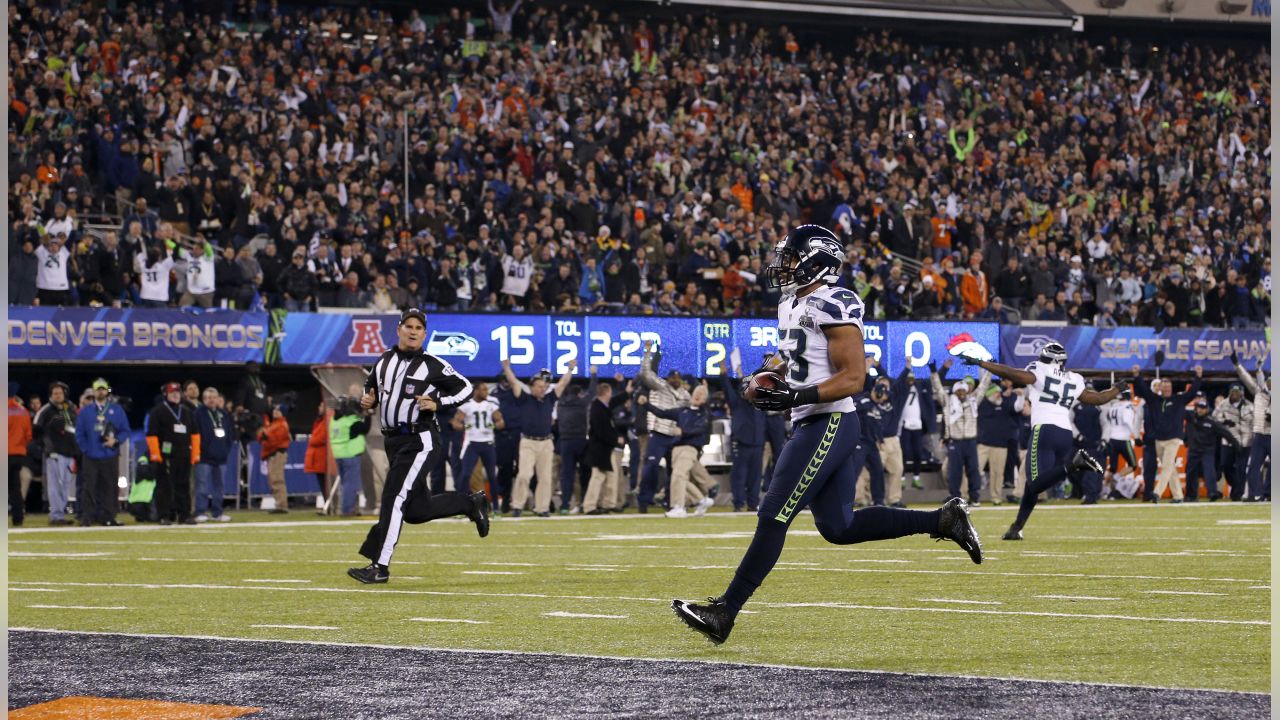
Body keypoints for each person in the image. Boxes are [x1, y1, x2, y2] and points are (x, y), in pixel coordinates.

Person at [672, 225, 982, 645]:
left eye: (793, 257)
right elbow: (791, 355)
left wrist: (796, 394)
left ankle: (725, 611)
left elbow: (854, 377)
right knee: (839, 526)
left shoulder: (836, 301)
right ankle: (943, 520)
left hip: (830, 419)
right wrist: (762, 376)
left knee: (773, 513)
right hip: (811, 419)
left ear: (818, 260)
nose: (784, 264)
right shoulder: (790, 303)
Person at [349, 308, 489, 584]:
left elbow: (464, 387)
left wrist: (440, 404)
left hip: (420, 438)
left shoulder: (432, 363)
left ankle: (380, 566)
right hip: (393, 441)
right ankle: (470, 503)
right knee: (416, 510)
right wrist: (367, 401)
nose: (413, 331)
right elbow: (371, 389)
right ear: (399, 329)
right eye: (409, 326)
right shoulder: (384, 360)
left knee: (394, 496)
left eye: (418, 328)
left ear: (424, 334)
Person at [964, 342, 1119, 540]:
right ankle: (1016, 527)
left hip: (1044, 430)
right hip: (1065, 433)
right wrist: (1116, 390)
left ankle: (1074, 464)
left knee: (1036, 483)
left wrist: (982, 364)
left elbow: (1017, 375)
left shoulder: (1040, 369)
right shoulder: (1074, 378)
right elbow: (1096, 399)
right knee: (1032, 486)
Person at [500, 359, 574, 517]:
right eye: (540, 386)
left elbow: (562, 384)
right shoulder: (524, 398)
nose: (543, 389)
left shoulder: (549, 398)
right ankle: (517, 505)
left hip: (546, 442)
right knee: (524, 475)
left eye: (545, 387)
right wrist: (507, 368)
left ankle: (542, 508)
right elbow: (513, 382)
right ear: (532, 386)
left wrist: (570, 369)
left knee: (545, 478)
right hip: (528, 442)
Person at [642, 382, 717, 518]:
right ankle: (701, 500)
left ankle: (678, 507)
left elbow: (699, 429)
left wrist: (682, 431)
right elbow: (661, 413)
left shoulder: (704, 414)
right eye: (696, 392)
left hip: (689, 448)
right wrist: (646, 404)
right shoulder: (682, 411)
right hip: (676, 449)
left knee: (678, 475)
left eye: (702, 394)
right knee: (679, 478)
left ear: (705, 399)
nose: (698, 395)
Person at [1132, 364, 1203, 503]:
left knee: (1166, 467)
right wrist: (1136, 376)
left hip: (1173, 439)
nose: (1165, 387)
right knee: (1170, 468)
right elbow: (1143, 390)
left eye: (1168, 385)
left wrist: (1198, 377)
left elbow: (1193, 392)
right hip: (1159, 440)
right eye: (1163, 385)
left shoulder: (1179, 399)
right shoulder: (1154, 400)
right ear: (1160, 388)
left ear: (1171, 387)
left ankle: (1157, 493)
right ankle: (1178, 496)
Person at [637, 342, 692, 512]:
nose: (675, 380)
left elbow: (688, 416)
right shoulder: (660, 385)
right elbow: (645, 373)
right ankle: (644, 500)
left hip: (676, 437)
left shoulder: (685, 395)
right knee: (650, 467)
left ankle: (670, 500)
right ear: (668, 378)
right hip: (659, 434)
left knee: (674, 471)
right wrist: (648, 353)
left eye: (677, 378)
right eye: (672, 377)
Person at [74, 378, 130, 526]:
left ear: (107, 391)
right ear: (93, 391)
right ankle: (88, 516)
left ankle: (108, 516)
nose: (100, 391)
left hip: (109, 455)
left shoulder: (116, 410)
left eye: (103, 389)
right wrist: (86, 449)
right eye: (98, 389)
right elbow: (79, 433)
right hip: (91, 455)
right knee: (89, 487)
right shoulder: (86, 411)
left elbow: (125, 430)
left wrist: (116, 441)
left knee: (110, 487)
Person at [932, 361, 986, 504]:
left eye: (963, 390)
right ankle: (955, 498)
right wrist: (933, 372)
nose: (962, 393)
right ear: (955, 392)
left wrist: (989, 370)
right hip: (955, 441)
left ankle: (975, 497)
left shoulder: (973, 401)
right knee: (954, 472)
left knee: (973, 470)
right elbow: (938, 388)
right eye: (959, 391)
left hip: (970, 441)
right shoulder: (948, 402)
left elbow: (983, 386)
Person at [146, 382, 198, 525]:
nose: (175, 395)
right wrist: (155, 454)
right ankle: (165, 515)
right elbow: (152, 435)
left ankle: (184, 515)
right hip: (165, 455)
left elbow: (194, 434)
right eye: (172, 392)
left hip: (183, 454)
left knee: (183, 486)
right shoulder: (158, 411)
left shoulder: (186, 411)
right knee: (165, 486)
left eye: (177, 392)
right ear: (166, 394)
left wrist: (195, 454)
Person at [719, 361, 765, 512]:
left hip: (757, 444)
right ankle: (738, 504)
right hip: (741, 443)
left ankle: (752, 504)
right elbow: (726, 388)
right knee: (739, 475)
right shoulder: (736, 402)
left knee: (755, 477)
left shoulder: (760, 404)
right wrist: (723, 373)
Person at [452, 382, 505, 504]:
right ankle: (461, 506)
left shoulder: (491, 405)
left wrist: (493, 425)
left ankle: (496, 507)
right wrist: (464, 426)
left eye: (486, 389)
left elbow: (501, 422)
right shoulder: (466, 405)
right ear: (476, 391)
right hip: (472, 444)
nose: (486, 392)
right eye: (483, 390)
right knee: (465, 475)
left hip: (487, 443)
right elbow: (455, 423)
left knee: (492, 476)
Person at [554, 367, 598, 513]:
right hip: (580, 441)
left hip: (565, 441)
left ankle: (565, 504)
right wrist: (593, 375)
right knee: (585, 472)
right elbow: (592, 392)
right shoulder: (581, 402)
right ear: (579, 393)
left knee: (567, 474)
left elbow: (560, 388)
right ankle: (584, 502)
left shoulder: (560, 403)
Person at [976, 377, 1023, 506]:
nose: (998, 394)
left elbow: (1018, 407)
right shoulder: (981, 405)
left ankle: (996, 497)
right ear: (989, 394)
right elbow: (981, 390)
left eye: (999, 392)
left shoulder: (1005, 403)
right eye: (995, 393)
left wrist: (1019, 396)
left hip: (1001, 445)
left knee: (997, 473)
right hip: (983, 444)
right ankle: (969, 496)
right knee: (974, 470)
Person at [583, 378, 627, 514]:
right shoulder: (597, 408)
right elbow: (601, 430)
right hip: (600, 448)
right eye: (610, 393)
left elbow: (615, 402)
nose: (611, 396)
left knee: (611, 476)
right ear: (607, 392)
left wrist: (627, 391)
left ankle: (608, 504)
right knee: (598, 477)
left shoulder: (601, 406)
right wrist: (616, 439)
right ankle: (589, 506)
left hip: (607, 448)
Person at [1183, 398, 1241, 501]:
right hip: (1194, 450)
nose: (1200, 410)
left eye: (1203, 408)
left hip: (1207, 450)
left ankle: (1212, 493)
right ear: (1195, 409)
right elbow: (1178, 411)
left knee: (1209, 471)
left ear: (1207, 409)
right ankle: (1190, 495)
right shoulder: (1190, 417)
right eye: (1198, 408)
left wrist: (1236, 444)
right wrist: (1185, 439)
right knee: (1190, 472)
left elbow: (1226, 433)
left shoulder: (1212, 422)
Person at [38, 382, 79, 525]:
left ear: (64, 394)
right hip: (54, 453)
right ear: (51, 395)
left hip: (69, 453)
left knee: (65, 485)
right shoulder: (46, 410)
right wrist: (45, 445)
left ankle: (59, 514)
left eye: (60, 393)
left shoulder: (71, 408)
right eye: (55, 393)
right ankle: (55, 515)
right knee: (55, 485)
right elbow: (36, 429)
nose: (57, 395)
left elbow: (75, 429)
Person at [1231, 352, 1271, 502]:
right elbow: (1247, 378)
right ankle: (1254, 494)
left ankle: (1269, 493)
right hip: (1259, 435)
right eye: (1269, 382)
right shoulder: (1259, 393)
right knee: (1253, 466)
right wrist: (1237, 365)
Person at [193, 387, 233, 522]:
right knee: (202, 485)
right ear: (204, 399)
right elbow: (195, 434)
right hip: (204, 456)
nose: (211, 400)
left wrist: (225, 450)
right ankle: (200, 511)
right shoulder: (198, 413)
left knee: (219, 486)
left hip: (220, 456)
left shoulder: (223, 414)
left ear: (217, 399)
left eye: (213, 397)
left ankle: (217, 512)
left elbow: (230, 434)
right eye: (208, 397)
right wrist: (201, 450)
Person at [329, 396, 372, 516]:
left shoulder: (335, 420)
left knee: (345, 484)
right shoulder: (350, 422)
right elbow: (365, 428)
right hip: (350, 455)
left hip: (339, 454)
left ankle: (348, 507)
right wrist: (367, 415)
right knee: (350, 485)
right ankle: (347, 509)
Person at [1212, 383, 1253, 501]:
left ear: (1242, 393)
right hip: (1228, 440)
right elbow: (1214, 417)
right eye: (1232, 392)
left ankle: (1237, 494)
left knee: (1241, 467)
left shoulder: (1250, 406)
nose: (1234, 394)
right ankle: (1236, 486)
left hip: (1244, 441)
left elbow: (1254, 423)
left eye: (1237, 392)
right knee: (1225, 465)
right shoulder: (1223, 404)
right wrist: (1224, 422)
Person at [1100, 391, 1141, 497]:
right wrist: (1136, 435)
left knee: (1112, 467)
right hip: (1123, 439)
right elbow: (1128, 421)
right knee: (1133, 465)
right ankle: (1116, 478)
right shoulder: (1127, 407)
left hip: (1112, 438)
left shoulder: (1113, 406)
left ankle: (1104, 488)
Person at [258, 405, 292, 513]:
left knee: (277, 479)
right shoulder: (275, 424)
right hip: (272, 454)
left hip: (277, 454)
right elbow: (261, 437)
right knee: (273, 480)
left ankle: (282, 505)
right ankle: (279, 504)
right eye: (275, 409)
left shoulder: (282, 424)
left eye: (278, 410)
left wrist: (264, 437)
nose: (275, 411)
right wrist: (263, 437)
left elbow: (273, 441)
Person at [8, 383, 32, 526]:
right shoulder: (23, 411)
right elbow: (29, 435)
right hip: (18, 454)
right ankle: (18, 518)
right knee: (15, 487)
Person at [305, 400, 331, 501]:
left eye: (321, 406)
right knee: (322, 482)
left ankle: (329, 504)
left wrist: (312, 439)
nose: (319, 408)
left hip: (323, 457)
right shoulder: (319, 421)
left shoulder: (327, 421)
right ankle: (327, 503)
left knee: (325, 482)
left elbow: (321, 438)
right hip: (319, 457)